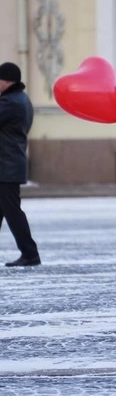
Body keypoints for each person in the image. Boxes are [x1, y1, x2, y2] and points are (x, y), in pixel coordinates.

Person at [0, 62, 41, 267]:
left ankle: (30, 254)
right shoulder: (21, 99)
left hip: (6, 166)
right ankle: (29, 253)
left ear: (6, 81)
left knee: (13, 212)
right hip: (9, 163)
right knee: (6, 210)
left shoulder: (9, 102)